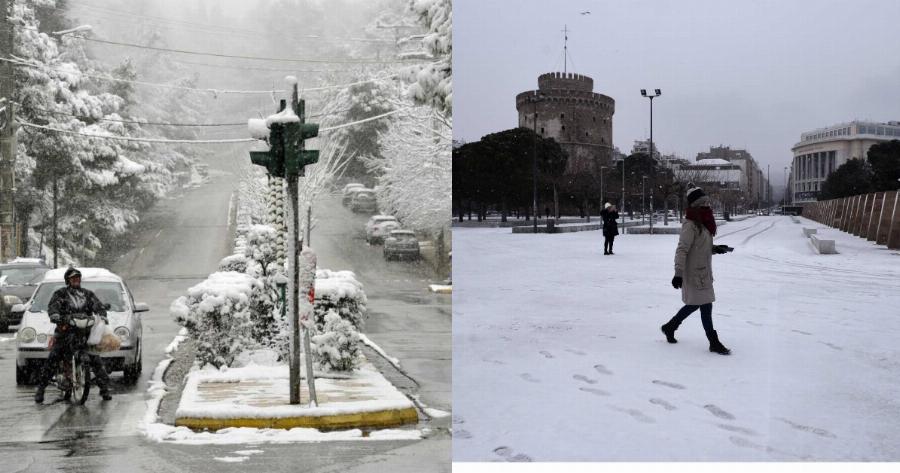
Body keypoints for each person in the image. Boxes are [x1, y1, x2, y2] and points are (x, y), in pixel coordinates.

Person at [660, 185, 731, 355]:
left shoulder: (704, 222)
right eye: (704, 202)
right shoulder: (691, 224)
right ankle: (713, 341)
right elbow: (682, 249)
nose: (707, 204)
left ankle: (670, 326)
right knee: (704, 305)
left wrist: (715, 248)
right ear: (696, 204)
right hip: (692, 273)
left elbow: (700, 246)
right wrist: (678, 274)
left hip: (703, 271)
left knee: (696, 304)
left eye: (707, 201)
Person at [35, 268, 112, 403]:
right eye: (73, 278)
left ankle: (104, 389)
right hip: (65, 332)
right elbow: (53, 307)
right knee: (53, 357)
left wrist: (102, 314)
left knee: (95, 359)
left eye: (78, 278)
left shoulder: (87, 294)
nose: (76, 280)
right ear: (68, 281)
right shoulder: (60, 294)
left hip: (84, 334)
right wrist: (56, 315)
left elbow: (98, 306)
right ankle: (41, 389)